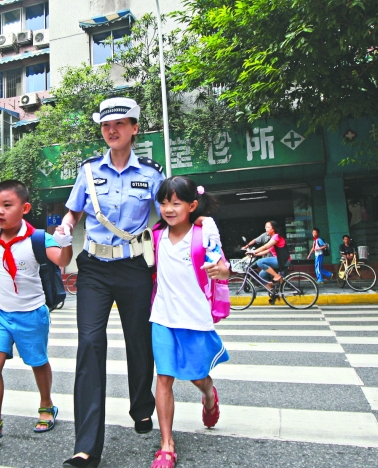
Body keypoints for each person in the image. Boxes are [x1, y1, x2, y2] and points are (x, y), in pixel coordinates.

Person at [58, 98, 219, 468]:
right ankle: (86, 446)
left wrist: (205, 241)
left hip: (134, 266)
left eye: (119, 124)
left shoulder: (150, 173)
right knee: (90, 345)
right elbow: (74, 211)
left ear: (134, 128)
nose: (111, 131)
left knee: (140, 341)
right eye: (105, 126)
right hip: (95, 267)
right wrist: (66, 226)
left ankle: (142, 406)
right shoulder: (88, 171)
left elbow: (170, 214)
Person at [0, 180, 72, 445]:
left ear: (24, 208)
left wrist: (66, 243)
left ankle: (46, 405)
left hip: (31, 313)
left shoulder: (37, 238)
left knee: (37, 362)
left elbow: (63, 261)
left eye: (7, 206)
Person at [150, 176, 230, 468]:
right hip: (161, 316)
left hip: (194, 316)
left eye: (176, 203)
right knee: (164, 377)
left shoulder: (204, 229)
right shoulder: (155, 235)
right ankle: (166, 444)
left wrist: (220, 270)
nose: (169, 209)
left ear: (192, 205)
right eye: (163, 203)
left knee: (197, 376)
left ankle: (209, 395)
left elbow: (221, 266)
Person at [251, 221, 292, 303]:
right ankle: (273, 292)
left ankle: (276, 276)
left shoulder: (276, 236)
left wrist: (254, 251)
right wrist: (255, 254)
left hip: (283, 260)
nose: (266, 229)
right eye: (265, 227)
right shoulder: (273, 238)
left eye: (268, 227)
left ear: (273, 229)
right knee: (261, 275)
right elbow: (267, 250)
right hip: (278, 260)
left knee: (260, 262)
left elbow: (266, 246)